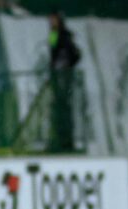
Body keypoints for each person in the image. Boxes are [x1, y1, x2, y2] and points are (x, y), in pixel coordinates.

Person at [47, 12, 80, 154]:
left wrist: (64, 65)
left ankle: (66, 140)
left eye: (53, 19)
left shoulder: (62, 35)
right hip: (59, 74)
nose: (51, 22)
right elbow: (53, 51)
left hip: (63, 75)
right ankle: (62, 139)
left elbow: (59, 52)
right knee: (60, 107)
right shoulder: (56, 34)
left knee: (64, 107)